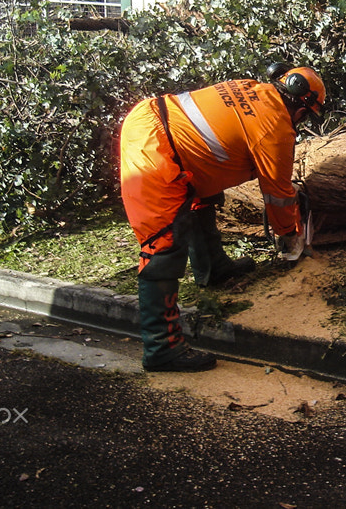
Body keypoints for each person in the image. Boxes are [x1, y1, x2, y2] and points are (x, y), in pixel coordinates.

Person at [119, 64, 325, 371]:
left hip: (155, 123)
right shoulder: (276, 126)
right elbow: (278, 193)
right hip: (154, 150)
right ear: (300, 107)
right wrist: (291, 241)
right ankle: (162, 348)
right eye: (306, 115)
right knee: (162, 246)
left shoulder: (252, 88)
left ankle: (212, 267)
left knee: (202, 197)